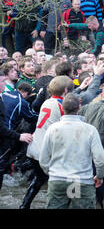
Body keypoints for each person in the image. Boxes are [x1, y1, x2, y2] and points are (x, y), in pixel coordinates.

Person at [39, 93, 104, 209]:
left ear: (62, 108)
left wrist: (52, 173)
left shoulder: (53, 129)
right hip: (81, 180)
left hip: (58, 180)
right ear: (79, 107)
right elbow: (100, 159)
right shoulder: (90, 130)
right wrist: (99, 176)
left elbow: (43, 158)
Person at [22, 75, 74, 209]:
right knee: (64, 181)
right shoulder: (63, 106)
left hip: (34, 148)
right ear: (66, 91)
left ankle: (24, 205)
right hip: (47, 151)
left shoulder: (47, 101)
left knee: (39, 179)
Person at [0, 70, 34, 192]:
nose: (4, 85)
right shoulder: (19, 101)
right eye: (3, 81)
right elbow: (1, 128)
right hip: (4, 138)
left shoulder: (3, 96)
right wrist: (19, 136)